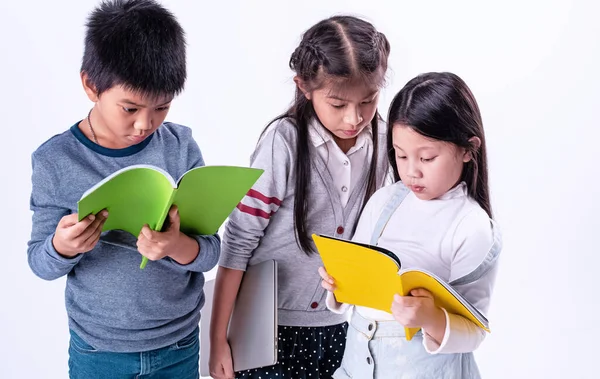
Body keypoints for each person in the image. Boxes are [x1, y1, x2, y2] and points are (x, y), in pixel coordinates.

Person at [26, 1, 220, 378]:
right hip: (99, 348)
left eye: (161, 107)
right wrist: (63, 247)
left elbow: (210, 251)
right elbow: (39, 262)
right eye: (130, 109)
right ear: (90, 85)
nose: (145, 124)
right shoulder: (55, 160)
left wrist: (176, 246)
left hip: (178, 342)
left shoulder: (180, 147)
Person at [209, 15, 391, 379]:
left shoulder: (384, 141)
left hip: (344, 328)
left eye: (368, 101)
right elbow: (239, 240)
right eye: (338, 104)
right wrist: (217, 340)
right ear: (304, 86)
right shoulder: (284, 141)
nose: (354, 118)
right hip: (267, 332)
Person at [320, 72, 502, 379]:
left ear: (469, 149)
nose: (411, 171)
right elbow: (359, 279)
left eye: (427, 158)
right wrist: (339, 285)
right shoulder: (385, 201)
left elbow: (475, 330)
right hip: (355, 365)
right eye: (401, 155)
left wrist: (431, 318)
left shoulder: (472, 227)